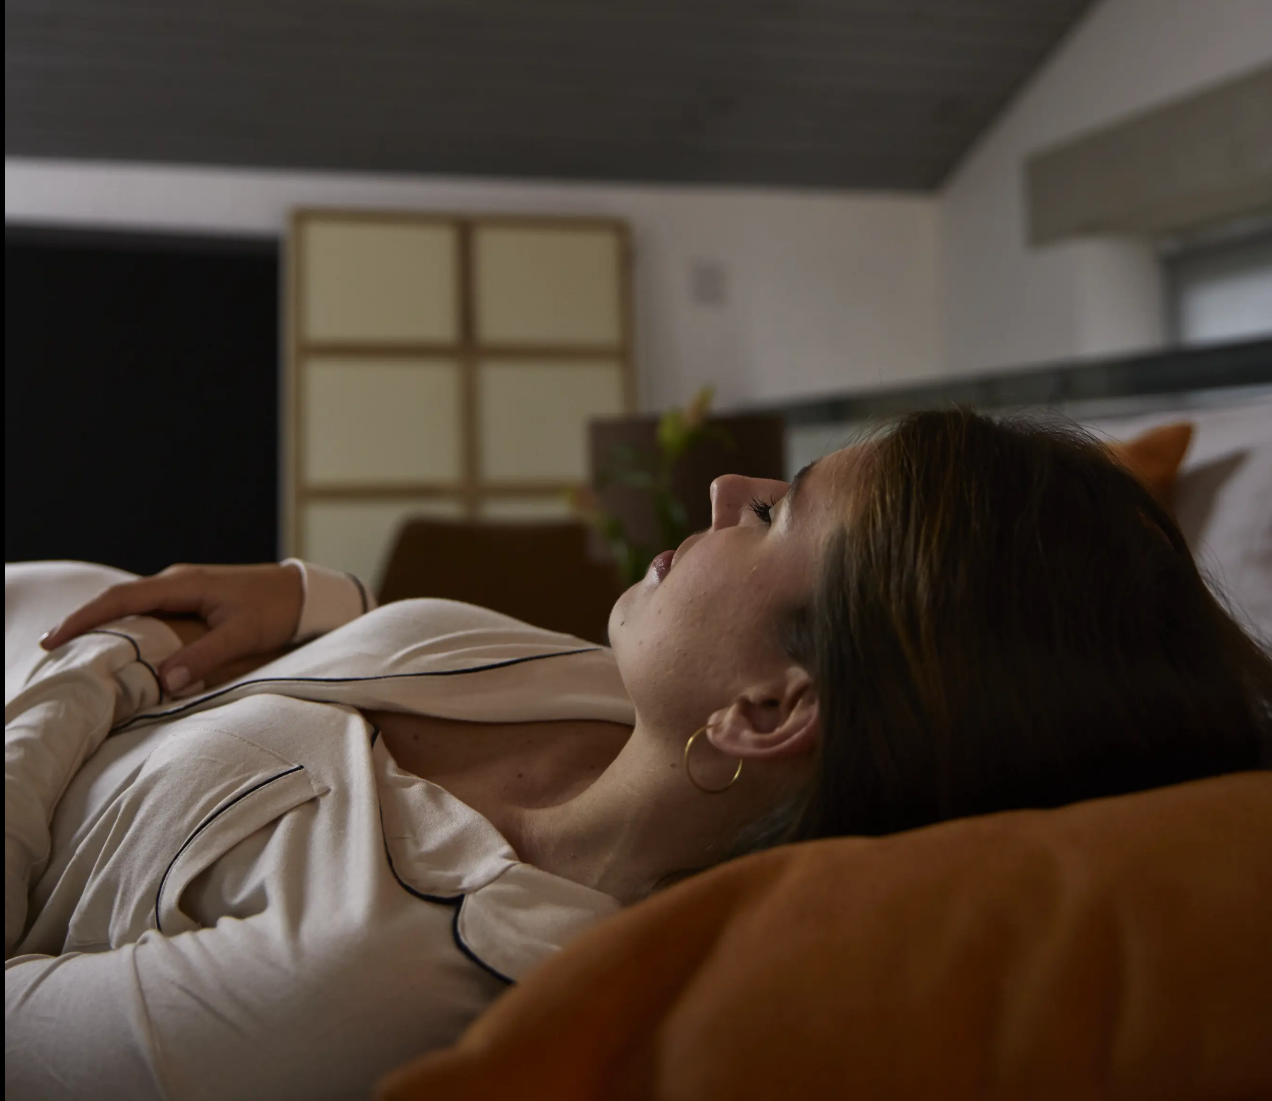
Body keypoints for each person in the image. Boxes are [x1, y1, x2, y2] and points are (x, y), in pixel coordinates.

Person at [6, 411, 1271, 1101]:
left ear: (768, 710)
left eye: (773, 513)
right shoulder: (616, 696)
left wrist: (116, 658)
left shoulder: (365, 980)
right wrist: (307, 598)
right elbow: (364, 672)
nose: (724, 487)